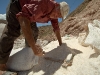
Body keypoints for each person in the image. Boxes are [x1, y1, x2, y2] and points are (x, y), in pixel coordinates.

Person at [0, 0, 69, 74]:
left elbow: (56, 29)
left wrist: (61, 44)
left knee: (34, 32)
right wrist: (33, 46)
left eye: (59, 16)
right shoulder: (44, 4)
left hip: (29, 13)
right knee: (12, 32)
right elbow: (23, 18)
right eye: (58, 13)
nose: (57, 16)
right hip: (17, 5)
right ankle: (1, 64)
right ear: (57, 6)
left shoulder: (54, 14)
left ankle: (27, 53)